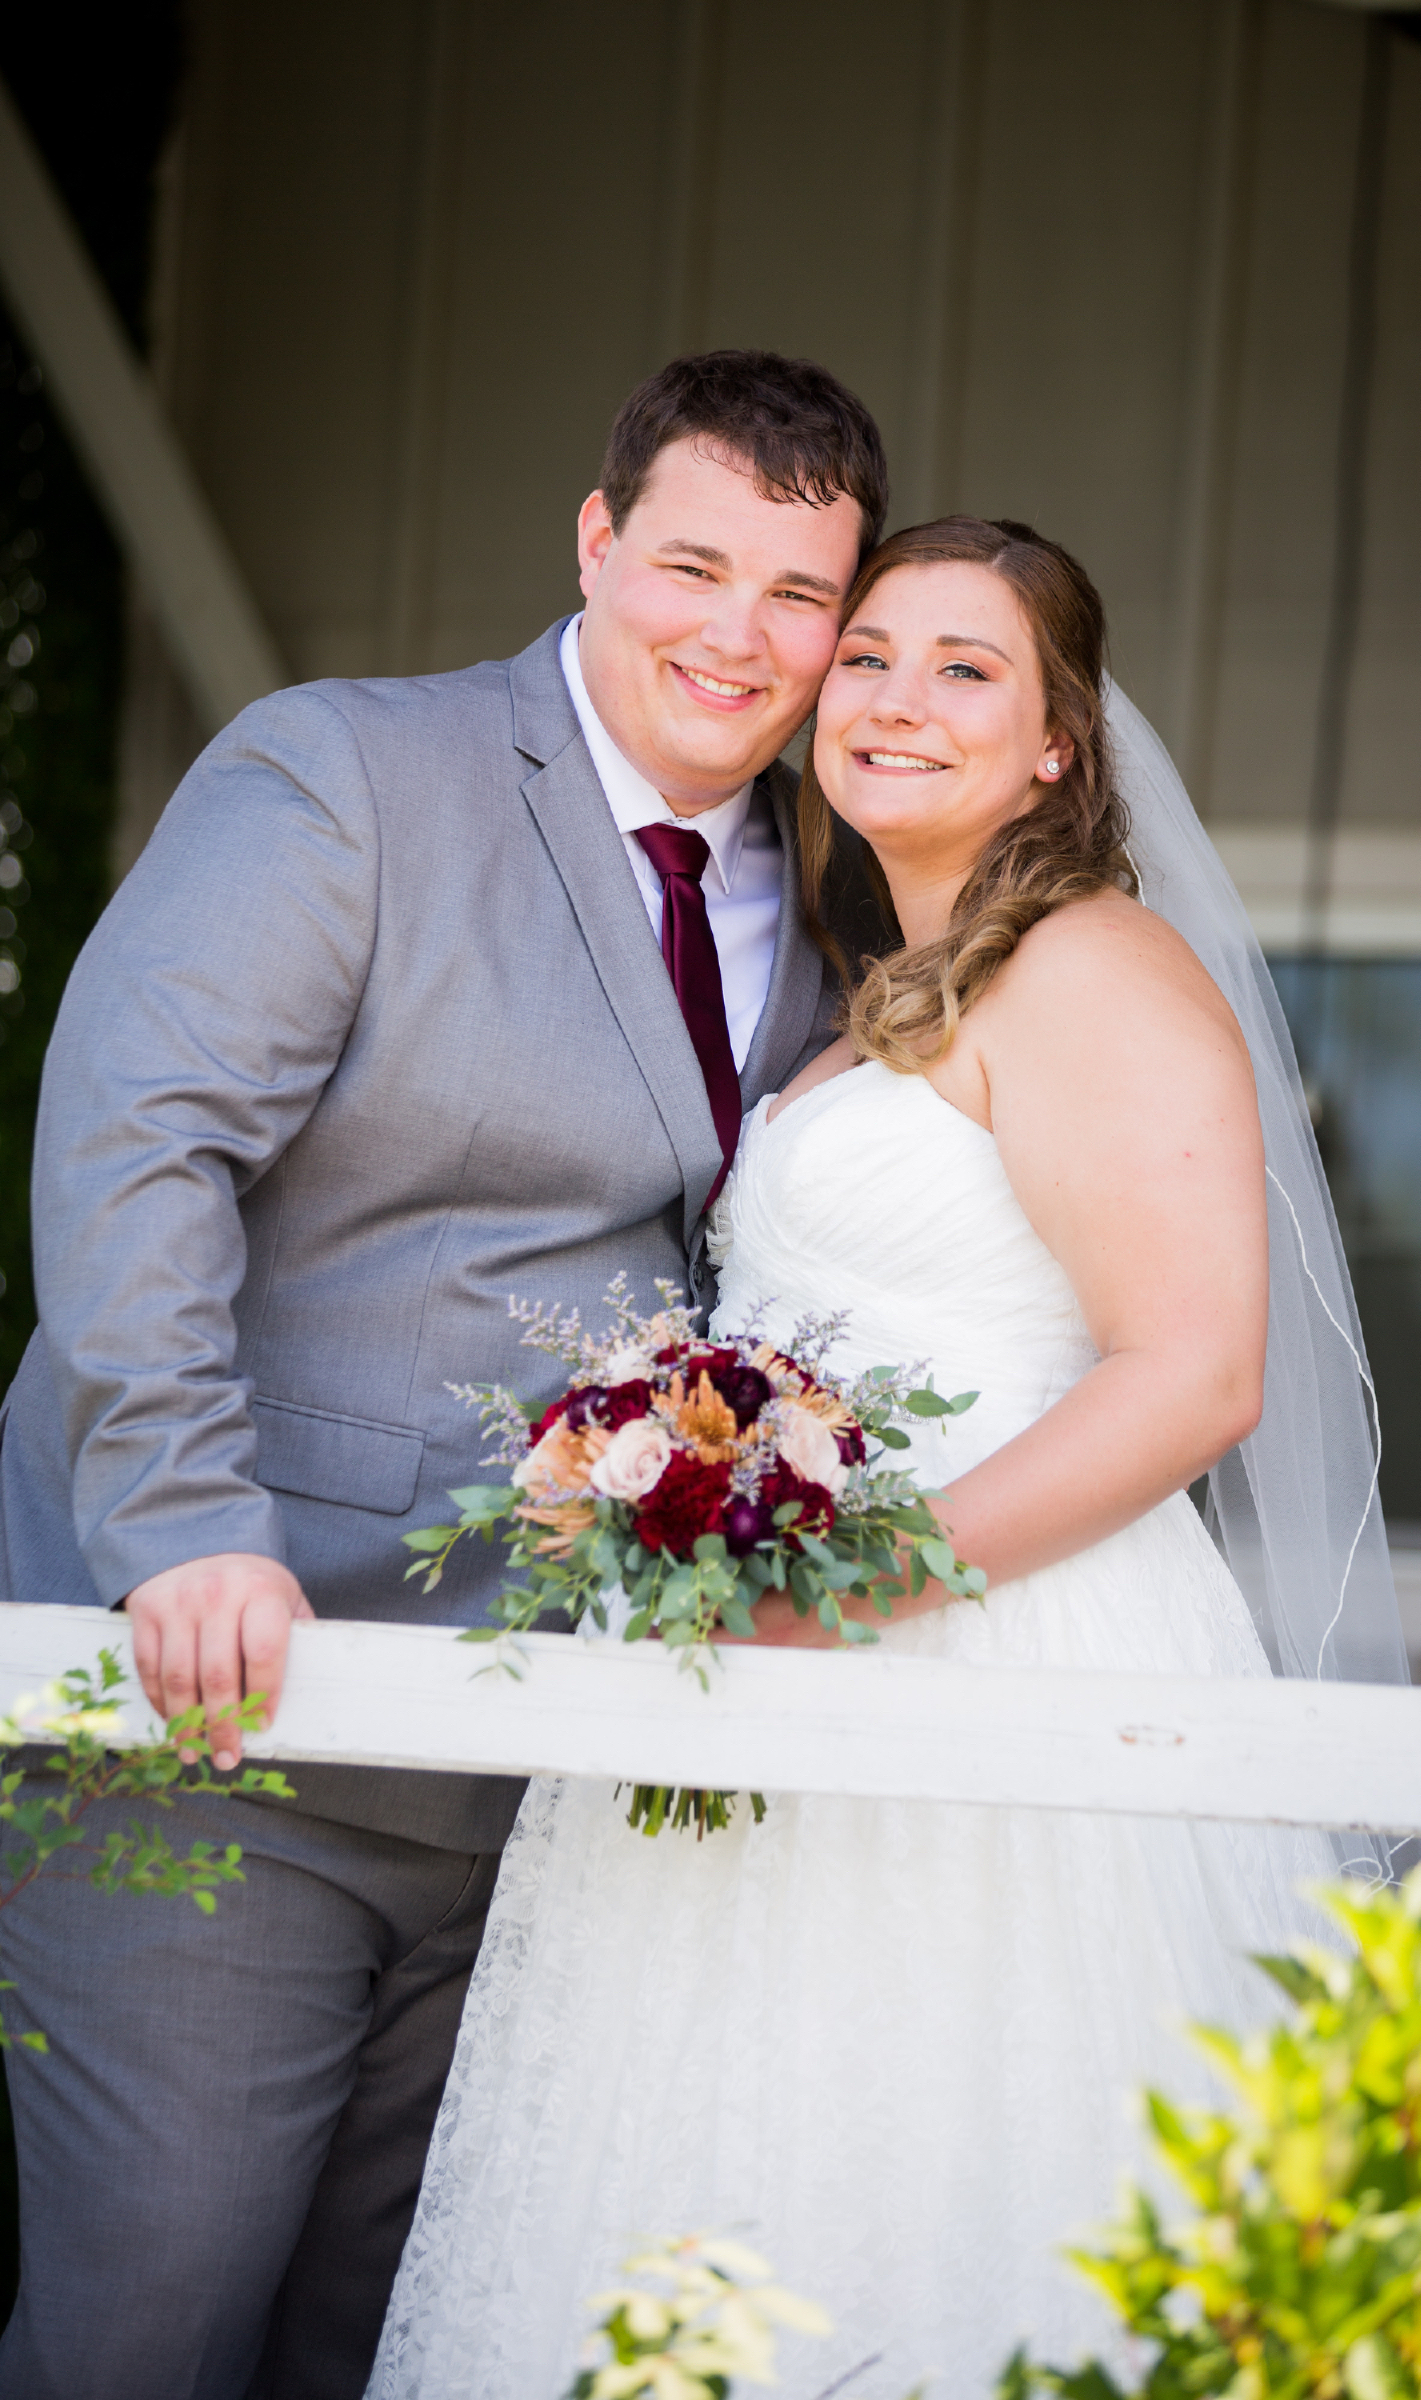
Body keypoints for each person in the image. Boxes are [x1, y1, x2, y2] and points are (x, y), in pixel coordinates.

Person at [367, 517, 1413, 2398]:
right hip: (775, 1677)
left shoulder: (1096, 967)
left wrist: (849, 1599)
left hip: (999, 1672)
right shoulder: (865, 1009)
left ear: (1055, 748)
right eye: (867, 658)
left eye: (966, 668)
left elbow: (1196, 1376)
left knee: (968, 2191)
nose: (897, 701)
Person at [0, 350, 887, 2400]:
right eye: (690, 564)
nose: (734, 639)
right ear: (591, 543)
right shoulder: (348, 774)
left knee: (388, 2349)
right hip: (226, 1720)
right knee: (150, 2332)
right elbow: (141, 1135)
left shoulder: (830, 908)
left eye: (795, 595)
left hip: (547, 1778)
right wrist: (179, 1526)